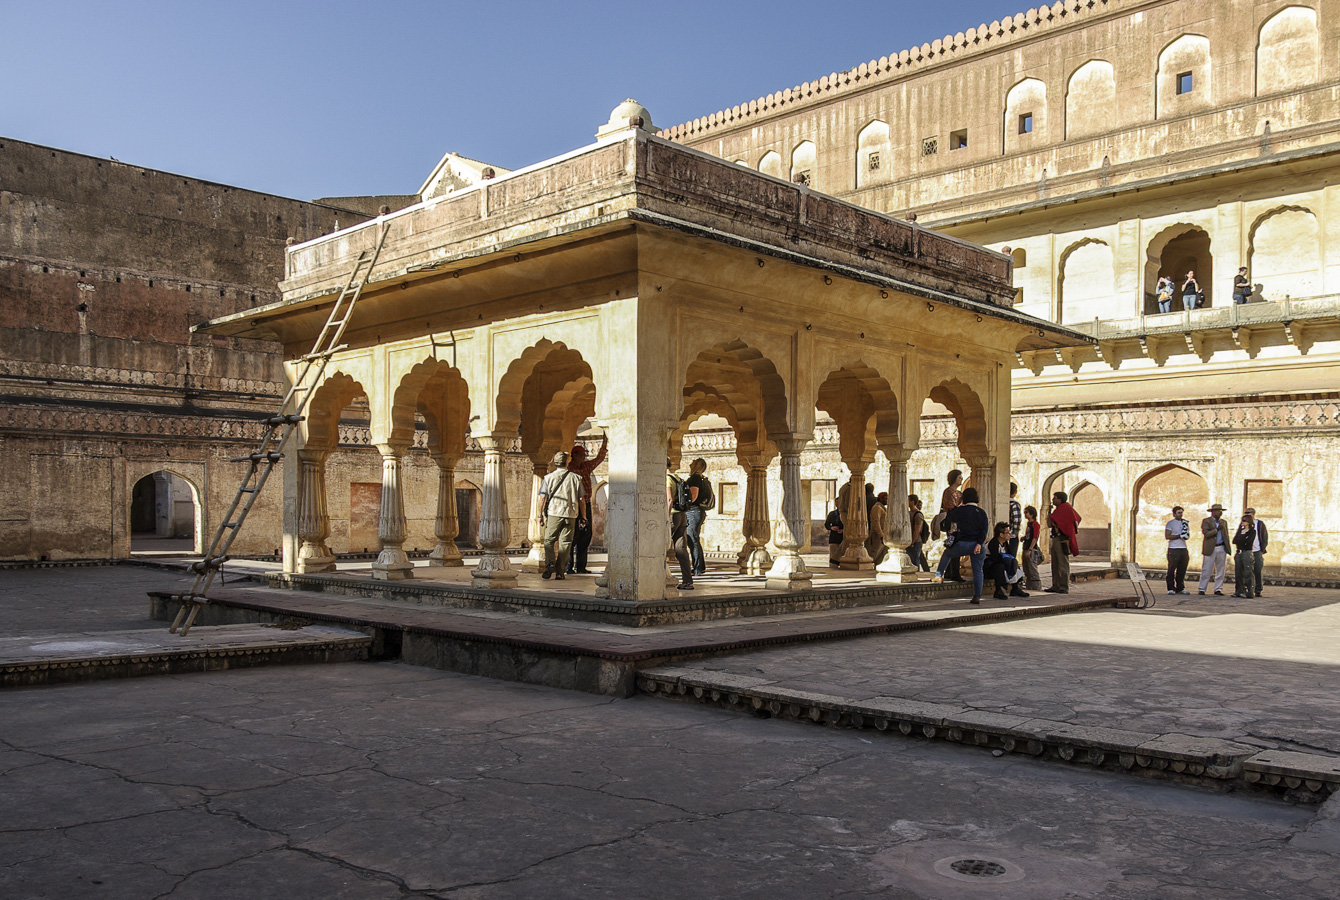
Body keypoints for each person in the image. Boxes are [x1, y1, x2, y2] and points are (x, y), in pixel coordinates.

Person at [931, 486, 990, 604]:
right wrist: (979, 543)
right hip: (977, 544)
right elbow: (984, 531)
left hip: (962, 543)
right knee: (978, 570)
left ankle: (938, 575)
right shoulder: (982, 512)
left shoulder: (960, 511)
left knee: (947, 554)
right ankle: (977, 596)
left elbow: (949, 519)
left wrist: (957, 504)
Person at [565, 433, 608, 574]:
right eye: (581, 455)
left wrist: (604, 442)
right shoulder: (570, 470)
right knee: (573, 535)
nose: (583, 457)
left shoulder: (585, 467)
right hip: (574, 505)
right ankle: (568, 566)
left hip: (586, 503)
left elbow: (599, 459)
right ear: (574, 456)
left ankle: (581, 566)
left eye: (584, 455)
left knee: (586, 534)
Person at [538, 450, 581, 580]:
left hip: (554, 513)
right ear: (567, 462)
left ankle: (550, 563)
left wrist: (540, 515)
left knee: (549, 540)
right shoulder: (576, 478)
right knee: (565, 542)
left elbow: (542, 498)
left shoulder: (548, 478)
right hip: (571, 514)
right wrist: (584, 516)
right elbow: (581, 499)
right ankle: (560, 572)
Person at [1045, 491, 1081, 593]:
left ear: (1060, 499)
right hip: (1055, 538)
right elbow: (1049, 524)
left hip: (1062, 539)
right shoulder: (1058, 510)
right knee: (1055, 564)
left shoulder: (1066, 508)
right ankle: (1055, 585)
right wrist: (1049, 513)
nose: (1053, 500)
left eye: (1055, 498)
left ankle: (1064, 587)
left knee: (1063, 563)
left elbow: (1076, 519)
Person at [666, 459, 693, 590]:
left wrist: (666, 516)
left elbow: (669, 499)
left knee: (660, 546)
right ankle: (688, 581)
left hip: (672, 515)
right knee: (681, 549)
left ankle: (660, 577)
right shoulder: (677, 478)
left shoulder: (667, 479)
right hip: (682, 516)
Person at [934, 469, 966, 580]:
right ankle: (954, 572)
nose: (961, 479)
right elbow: (951, 507)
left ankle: (949, 571)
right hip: (951, 522)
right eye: (959, 477)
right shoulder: (948, 492)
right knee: (954, 545)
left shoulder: (959, 493)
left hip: (959, 522)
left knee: (954, 545)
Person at [985, 522, 1028, 600]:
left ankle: (1015, 588)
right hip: (990, 567)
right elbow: (995, 559)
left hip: (1002, 564)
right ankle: (998, 590)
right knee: (1000, 566)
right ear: (1001, 535)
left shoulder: (1005, 543)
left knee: (1014, 563)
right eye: (1007, 533)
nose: (1009, 534)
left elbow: (1010, 555)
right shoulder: (993, 543)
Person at [684, 457, 713, 576]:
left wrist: (684, 503)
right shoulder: (701, 479)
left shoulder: (694, 479)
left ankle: (697, 568)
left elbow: (693, 496)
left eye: (693, 462)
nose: (690, 464)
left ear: (697, 466)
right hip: (698, 511)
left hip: (693, 511)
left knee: (692, 540)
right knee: (694, 539)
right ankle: (700, 566)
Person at [1198, 502, 1229, 595]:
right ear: (1213, 512)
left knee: (1220, 569)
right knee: (1206, 569)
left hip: (1221, 546)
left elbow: (1226, 535)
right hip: (1211, 547)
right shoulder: (1206, 521)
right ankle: (1202, 588)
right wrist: (1217, 529)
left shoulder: (1224, 522)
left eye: (1221, 511)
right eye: (1218, 511)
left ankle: (1218, 588)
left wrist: (1227, 547)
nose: (1220, 513)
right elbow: (1206, 534)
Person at [1164, 504, 1191, 595]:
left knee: (1182, 569)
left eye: (1181, 513)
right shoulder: (1170, 523)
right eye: (1179, 513)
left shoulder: (1184, 523)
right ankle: (1170, 588)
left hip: (1183, 548)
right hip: (1174, 548)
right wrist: (1179, 536)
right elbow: (1168, 536)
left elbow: (1187, 534)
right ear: (1174, 514)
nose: (1180, 514)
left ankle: (1180, 587)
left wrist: (1185, 535)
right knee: (1172, 569)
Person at [1232, 513, 1259, 598]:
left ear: (1248, 522)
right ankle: (1239, 590)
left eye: (1244, 521)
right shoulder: (1240, 531)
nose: (1242, 522)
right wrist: (1243, 539)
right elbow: (1234, 540)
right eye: (1242, 521)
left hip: (1247, 552)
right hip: (1239, 552)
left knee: (1248, 572)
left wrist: (1242, 540)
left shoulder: (1252, 531)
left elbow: (1248, 542)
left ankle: (1250, 592)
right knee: (1238, 572)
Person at [1246, 506, 1269, 597]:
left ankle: (1258, 589)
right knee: (1247, 570)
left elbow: (1264, 536)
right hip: (1247, 550)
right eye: (1246, 513)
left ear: (1253, 514)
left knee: (1258, 570)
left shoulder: (1259, 524)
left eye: (1248, 513)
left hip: (1257, 550)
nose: (1247, 514)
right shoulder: (1244, 523)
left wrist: (1262, 548)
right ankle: (1248, 588)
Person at [1020, 505, 1043, 591]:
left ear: (1032, 514)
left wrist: (1030, 549)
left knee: (1032, 569)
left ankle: (1036, 587)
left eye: (1027, 512)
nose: (1025, 514)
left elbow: (1035, 537)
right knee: (1027, 569)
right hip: (1026, 547)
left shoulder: (1035, 524)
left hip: (1031, 549)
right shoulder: (1029, 524)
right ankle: (1029, 586)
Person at [906, 494, 929, 572]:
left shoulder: (918, 515)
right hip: (910, 540)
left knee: (915, 560)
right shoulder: (909, 513)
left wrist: (912, 542)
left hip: (916, 541)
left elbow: (917, 530)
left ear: (912, 502)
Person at [866, 489, 888, 567]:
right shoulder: (877, 508)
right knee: (874, 554)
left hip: (883, 534)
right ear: (881, 498)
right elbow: (876, 522)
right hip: (877, 535)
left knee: (881, 556)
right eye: (885, 498)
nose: (887, 500)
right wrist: (881, 535)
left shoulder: (882, 508)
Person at [824, 493, 844, 568]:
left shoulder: (846, 514)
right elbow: (827, 524)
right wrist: (831, 528)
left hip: (843, 537)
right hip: (834, 537)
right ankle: (833, 566)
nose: (838, 504)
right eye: (836, 503)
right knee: (833, 553)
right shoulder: (832, 514)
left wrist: (843, 530)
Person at [1007, 483, 1022, 559]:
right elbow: (1017, 520)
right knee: (1011, 558)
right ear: (1015, 492)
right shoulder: (1014, 504)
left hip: (1001, 535)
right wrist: (1014, 533)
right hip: (1011, 536)